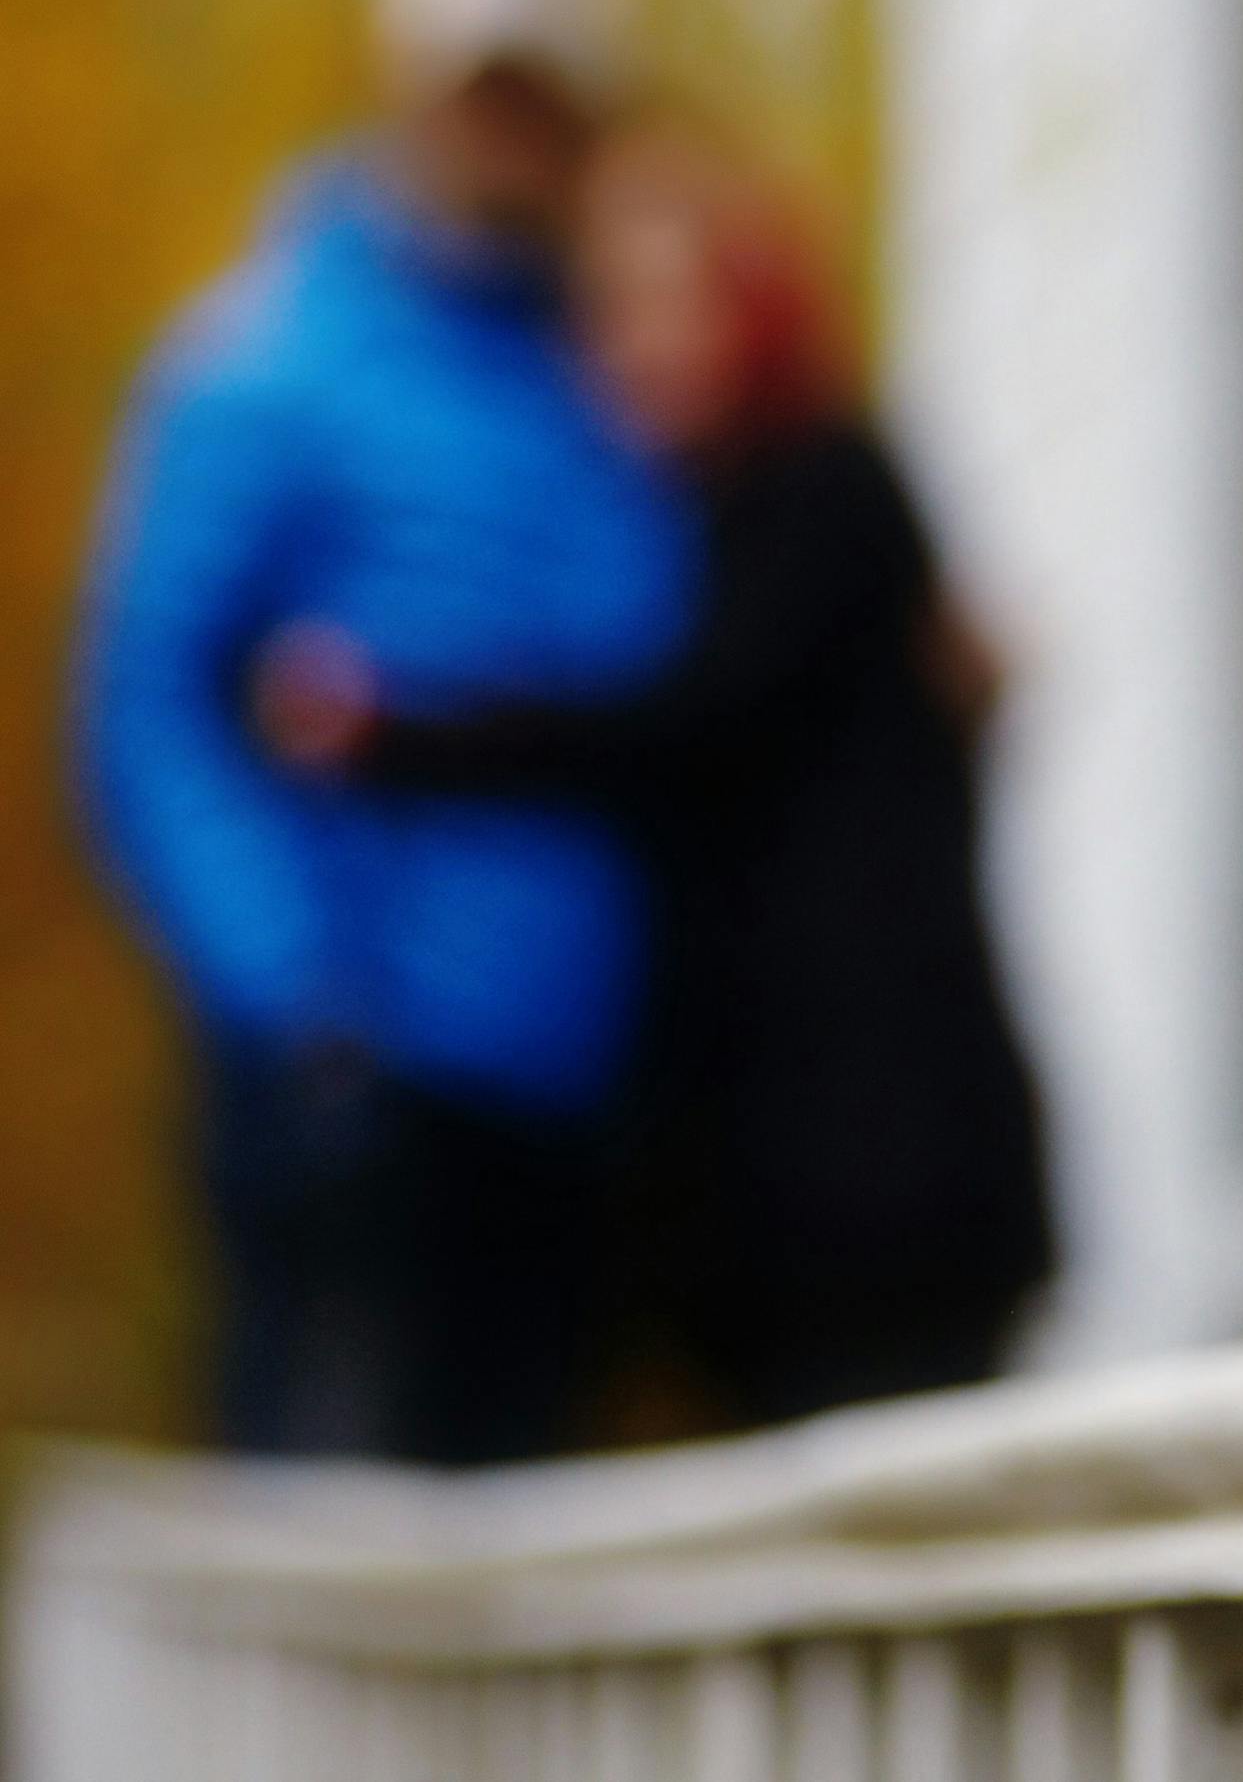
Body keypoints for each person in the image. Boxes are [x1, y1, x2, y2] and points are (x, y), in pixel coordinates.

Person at [254, 127, 1057, 1424]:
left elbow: (677, 728)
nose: (639, 346)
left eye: (673, 302)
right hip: (778, 1212)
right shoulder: (697, 531)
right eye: (612, 313)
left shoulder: (824, 493)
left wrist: (398, 735)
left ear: (757, 309)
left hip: (882, 1192)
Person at [74, 0, 693, 1463]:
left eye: (545, 105)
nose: (511, 140)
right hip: (351, 1076)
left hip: (573, 1089)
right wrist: (291, 986)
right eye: (483, 97)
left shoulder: (608, 382)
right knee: (343, 1532)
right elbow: (149, 704)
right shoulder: (262, 361)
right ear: (410, 104)